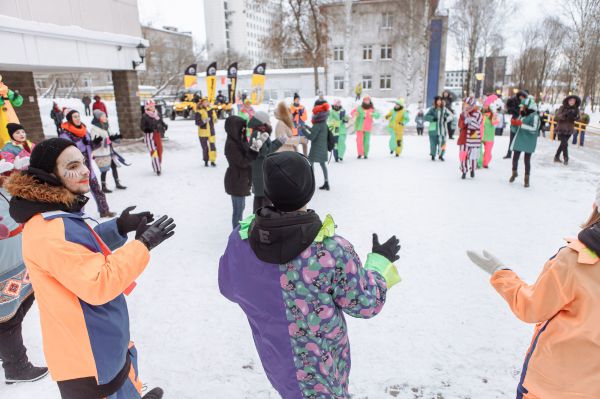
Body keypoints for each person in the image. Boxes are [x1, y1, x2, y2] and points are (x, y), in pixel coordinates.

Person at [219, 150, 401, 399]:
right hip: (324, 376)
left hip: (278, 363)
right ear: (309, 189)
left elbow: (229, 286)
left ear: (269, 190)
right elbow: (367, 302)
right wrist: (380, 262)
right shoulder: (330, 250)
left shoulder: (241, 240)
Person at [5, 138, 174, 399]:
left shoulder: (53, 213)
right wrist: (143, 244)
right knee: (111, 386)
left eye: (83, 161)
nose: (85, 170)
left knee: (122, 376)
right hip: (87, 354)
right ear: (50, 175)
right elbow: (99, 283)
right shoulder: (49, 230)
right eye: (73, 165)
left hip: (100, 336)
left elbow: (77, 252)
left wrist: (117, 228)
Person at [466, 183, 600, 399]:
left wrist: (500, 272)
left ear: (596, 206)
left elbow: (532, 307)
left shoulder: (574, 260)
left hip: (549, 386)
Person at [0, 157, 48, 385]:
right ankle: (16, 367)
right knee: (6, 320)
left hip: (18, 263)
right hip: (2, 270)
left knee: (19, 308)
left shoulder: (5, 185)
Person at [59, 110, 115, 218]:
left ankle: (104, 211)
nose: (77, 119)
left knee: (97, 190)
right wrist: (80, 145)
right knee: (78, 194)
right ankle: (78, 216)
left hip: (88, 167)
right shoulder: (65, 134)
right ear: (70, 119)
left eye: (78, 116)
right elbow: (67, 151)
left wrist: (96, 142)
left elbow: (91, 147)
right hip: (75, 170)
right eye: (75, 117)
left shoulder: (84, 131)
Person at [224, 116, 261, 229]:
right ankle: (236, 234)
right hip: (236, 180)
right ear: (234, 128)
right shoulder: (231, 144)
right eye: (242, 128)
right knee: (238, 210)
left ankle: (238, 232)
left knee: (241, 207)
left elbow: (248, 154)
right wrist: (254, 150)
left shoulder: (240, 140)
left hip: (242, 180)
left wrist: (254, 147)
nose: (244, 130)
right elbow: (243, 162)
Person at [248, 112, 286, 212]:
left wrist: (277, 141)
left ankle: (257, 219)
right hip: (260, 170)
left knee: (260, 197)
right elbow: (265, 152)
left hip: (260, 169)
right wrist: (279, 142)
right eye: (268, 121)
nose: (270, 123)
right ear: (262, 123)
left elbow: (265, 148)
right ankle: (264, 219)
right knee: (265, 197)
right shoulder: (258, 134)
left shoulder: (260, 133)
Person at [90, 110, 127, 193]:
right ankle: (103, 186)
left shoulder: (106, 126)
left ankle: (117, 183)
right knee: (104, 170)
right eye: (103, 116)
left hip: (109, 151)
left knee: (114, 166)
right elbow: (95, 141)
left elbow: (110, 136)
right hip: (101, 153)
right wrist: (107, 140)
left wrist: (116, 137)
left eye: (105, 116)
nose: (105, 118)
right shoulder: (94, 129)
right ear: (98, 118)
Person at [509, 95, 540, 188]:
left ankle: (527, 179)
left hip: (529, 140)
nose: (521, 108)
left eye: (523, 106)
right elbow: (516, 127)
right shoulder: (522, 114)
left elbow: (535, 129)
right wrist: (514, 124)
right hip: (520, 138)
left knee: (527, 160)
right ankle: (514, 173)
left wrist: (521, 124)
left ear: (528, 107)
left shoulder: (535, 116)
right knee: (515, 157)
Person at [302, 99, 330, 191]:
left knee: (310, 163)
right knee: (322, 165)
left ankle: (311, 183)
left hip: (316, 149)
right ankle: (326, 182)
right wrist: (307, 127)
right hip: (323, 148)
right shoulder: (323, 124)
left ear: (318, 115)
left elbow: (311, 137)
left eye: (314, 114)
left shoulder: (317, 125)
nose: (313, 115)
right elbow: (315, 132)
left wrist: (303, 130)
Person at [457, 97, 482, 179]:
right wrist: (465, 121)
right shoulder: (462, 114)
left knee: (473, 156)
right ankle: (464, 171)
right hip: (464, 138)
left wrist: (471, 120)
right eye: (465, 104)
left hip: (473, 138)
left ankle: (472, 170)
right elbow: (460, 125)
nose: (466, 106)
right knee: (462, 155)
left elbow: (478, 125)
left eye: (467, 104)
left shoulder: (478, 114)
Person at [554, 95, 581, 166]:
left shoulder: (576, 109)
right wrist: (565, 115)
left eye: (573, 101)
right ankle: (566, 158)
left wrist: (575, 117)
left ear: (575, 102)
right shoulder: (562, 107)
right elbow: (556, 117)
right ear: (568, 100)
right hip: (561, 129)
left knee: (562, 144)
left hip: (570, 129)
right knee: (565, 144)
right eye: (571, 100)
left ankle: (556, 156)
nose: (572, 102)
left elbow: (579, 118)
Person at [424, 96, 452, 162]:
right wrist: (432, 118)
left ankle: (441, 155)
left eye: (440, 100)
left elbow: (451, 116)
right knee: (433, 143)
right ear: (435, 101)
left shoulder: (445, 109)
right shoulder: (432, 109)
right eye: (438, 100)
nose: (439, 102)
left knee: (443, 143)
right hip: (433, 130)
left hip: (442, 130)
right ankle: (433, 155)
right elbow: (425, 117)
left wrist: (446, 119)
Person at [351, 95, 380, 159]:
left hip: (367, 128)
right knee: (359, 141)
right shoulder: (359, 108)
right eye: (365, 100)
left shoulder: (372, 109)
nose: (367, 101)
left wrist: (373, 114)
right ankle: (360, 153)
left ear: (370, 101)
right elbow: (353, 112)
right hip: (359, 127)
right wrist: (355, 114)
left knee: (366, 142)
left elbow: (378, 115)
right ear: (363, 101)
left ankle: (365, 153)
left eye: (368, 100)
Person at [140, 100, 164, 176]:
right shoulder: (145, 116)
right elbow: (142, 126)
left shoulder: (157, 114)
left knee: (160, 150)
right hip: (149, 136)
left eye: (153, 106)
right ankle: (157, 169)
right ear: (147, 107)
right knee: (154, 152)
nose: (152, 107)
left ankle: (156, 163)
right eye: (150, 106)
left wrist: (164, 125)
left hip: (157, 134)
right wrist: (147, 129)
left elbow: (160, 122)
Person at [504, 90, 528, 159]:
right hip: (515, 120)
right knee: (512, 137)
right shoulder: (513, 101)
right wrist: (517, 110)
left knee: (519, 138)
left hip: (522, 121)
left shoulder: (525, 102)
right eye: (522, 97)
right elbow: (510, 110)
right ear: (520, 96)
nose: (522, 99)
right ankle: (509, 153)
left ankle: (517, 153)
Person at [195, 97, 218, 167]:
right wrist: (204, 121)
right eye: (204, 102)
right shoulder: (199, 111)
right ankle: (206, 161)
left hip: (211, 131)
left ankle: (213, 161)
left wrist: (215, 119)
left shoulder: (211, 110)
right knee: (205, 148)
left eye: (207, 102)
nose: (206, 103)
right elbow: (197, 122)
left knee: (212, 147)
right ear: (201, 103)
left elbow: (215, 119)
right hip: (203, 132)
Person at [478, 96, 499, 169]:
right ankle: (479, 163)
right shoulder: (479, 114)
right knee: (478, 150)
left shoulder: (492, 115)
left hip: (489, 136)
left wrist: (495, 116)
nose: (485, 107)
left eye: (486, 106)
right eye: (484, 105)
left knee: (488, 151)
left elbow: (495, 123)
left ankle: (485, 163)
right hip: (480, 134)